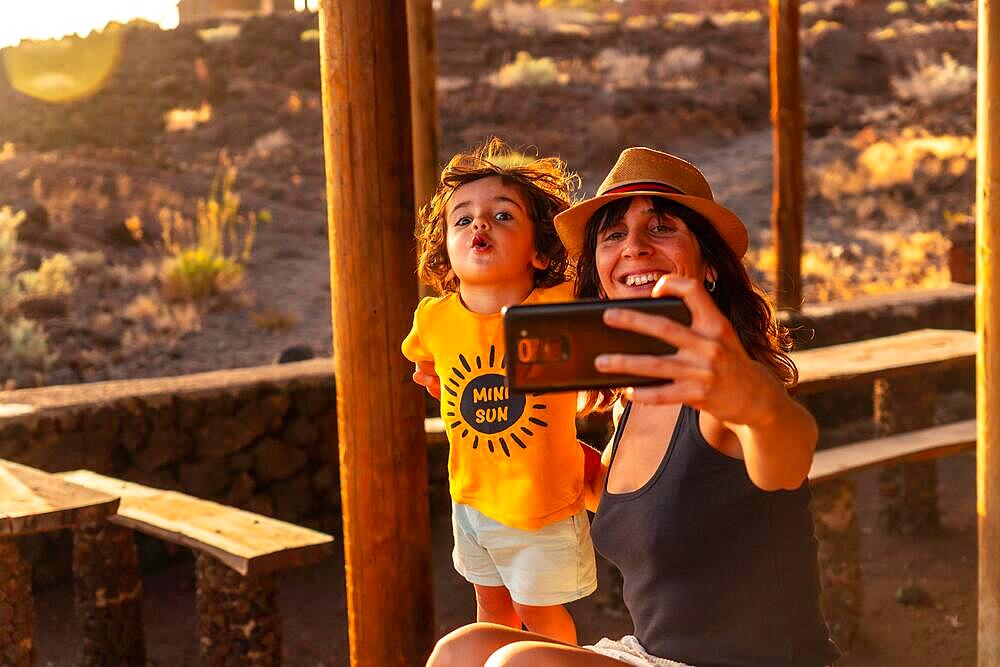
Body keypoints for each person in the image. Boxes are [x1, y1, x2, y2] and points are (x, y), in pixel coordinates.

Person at [420, 147, 841, 667]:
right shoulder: (632, 397)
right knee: (463, 649)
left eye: (660, 228)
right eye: (613, 235)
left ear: (709, 266)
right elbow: (655, 501)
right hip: (654, 656)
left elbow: (788, 454)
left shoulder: (728, 389)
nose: (634, 247)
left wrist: (751, 400)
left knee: (518, 666)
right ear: (598, 270)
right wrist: (492, 425)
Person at [403, 138, 597, 644]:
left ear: (538, 250)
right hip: (470, 498)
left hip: (543, 503)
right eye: (462, 219)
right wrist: (432, 377)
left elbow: (604, 287)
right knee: (489, 607)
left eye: (503, 216)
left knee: (539, 617)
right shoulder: (434, 317)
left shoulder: (559, 305)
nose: (479, 225)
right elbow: (423, 359)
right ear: (444, 246)